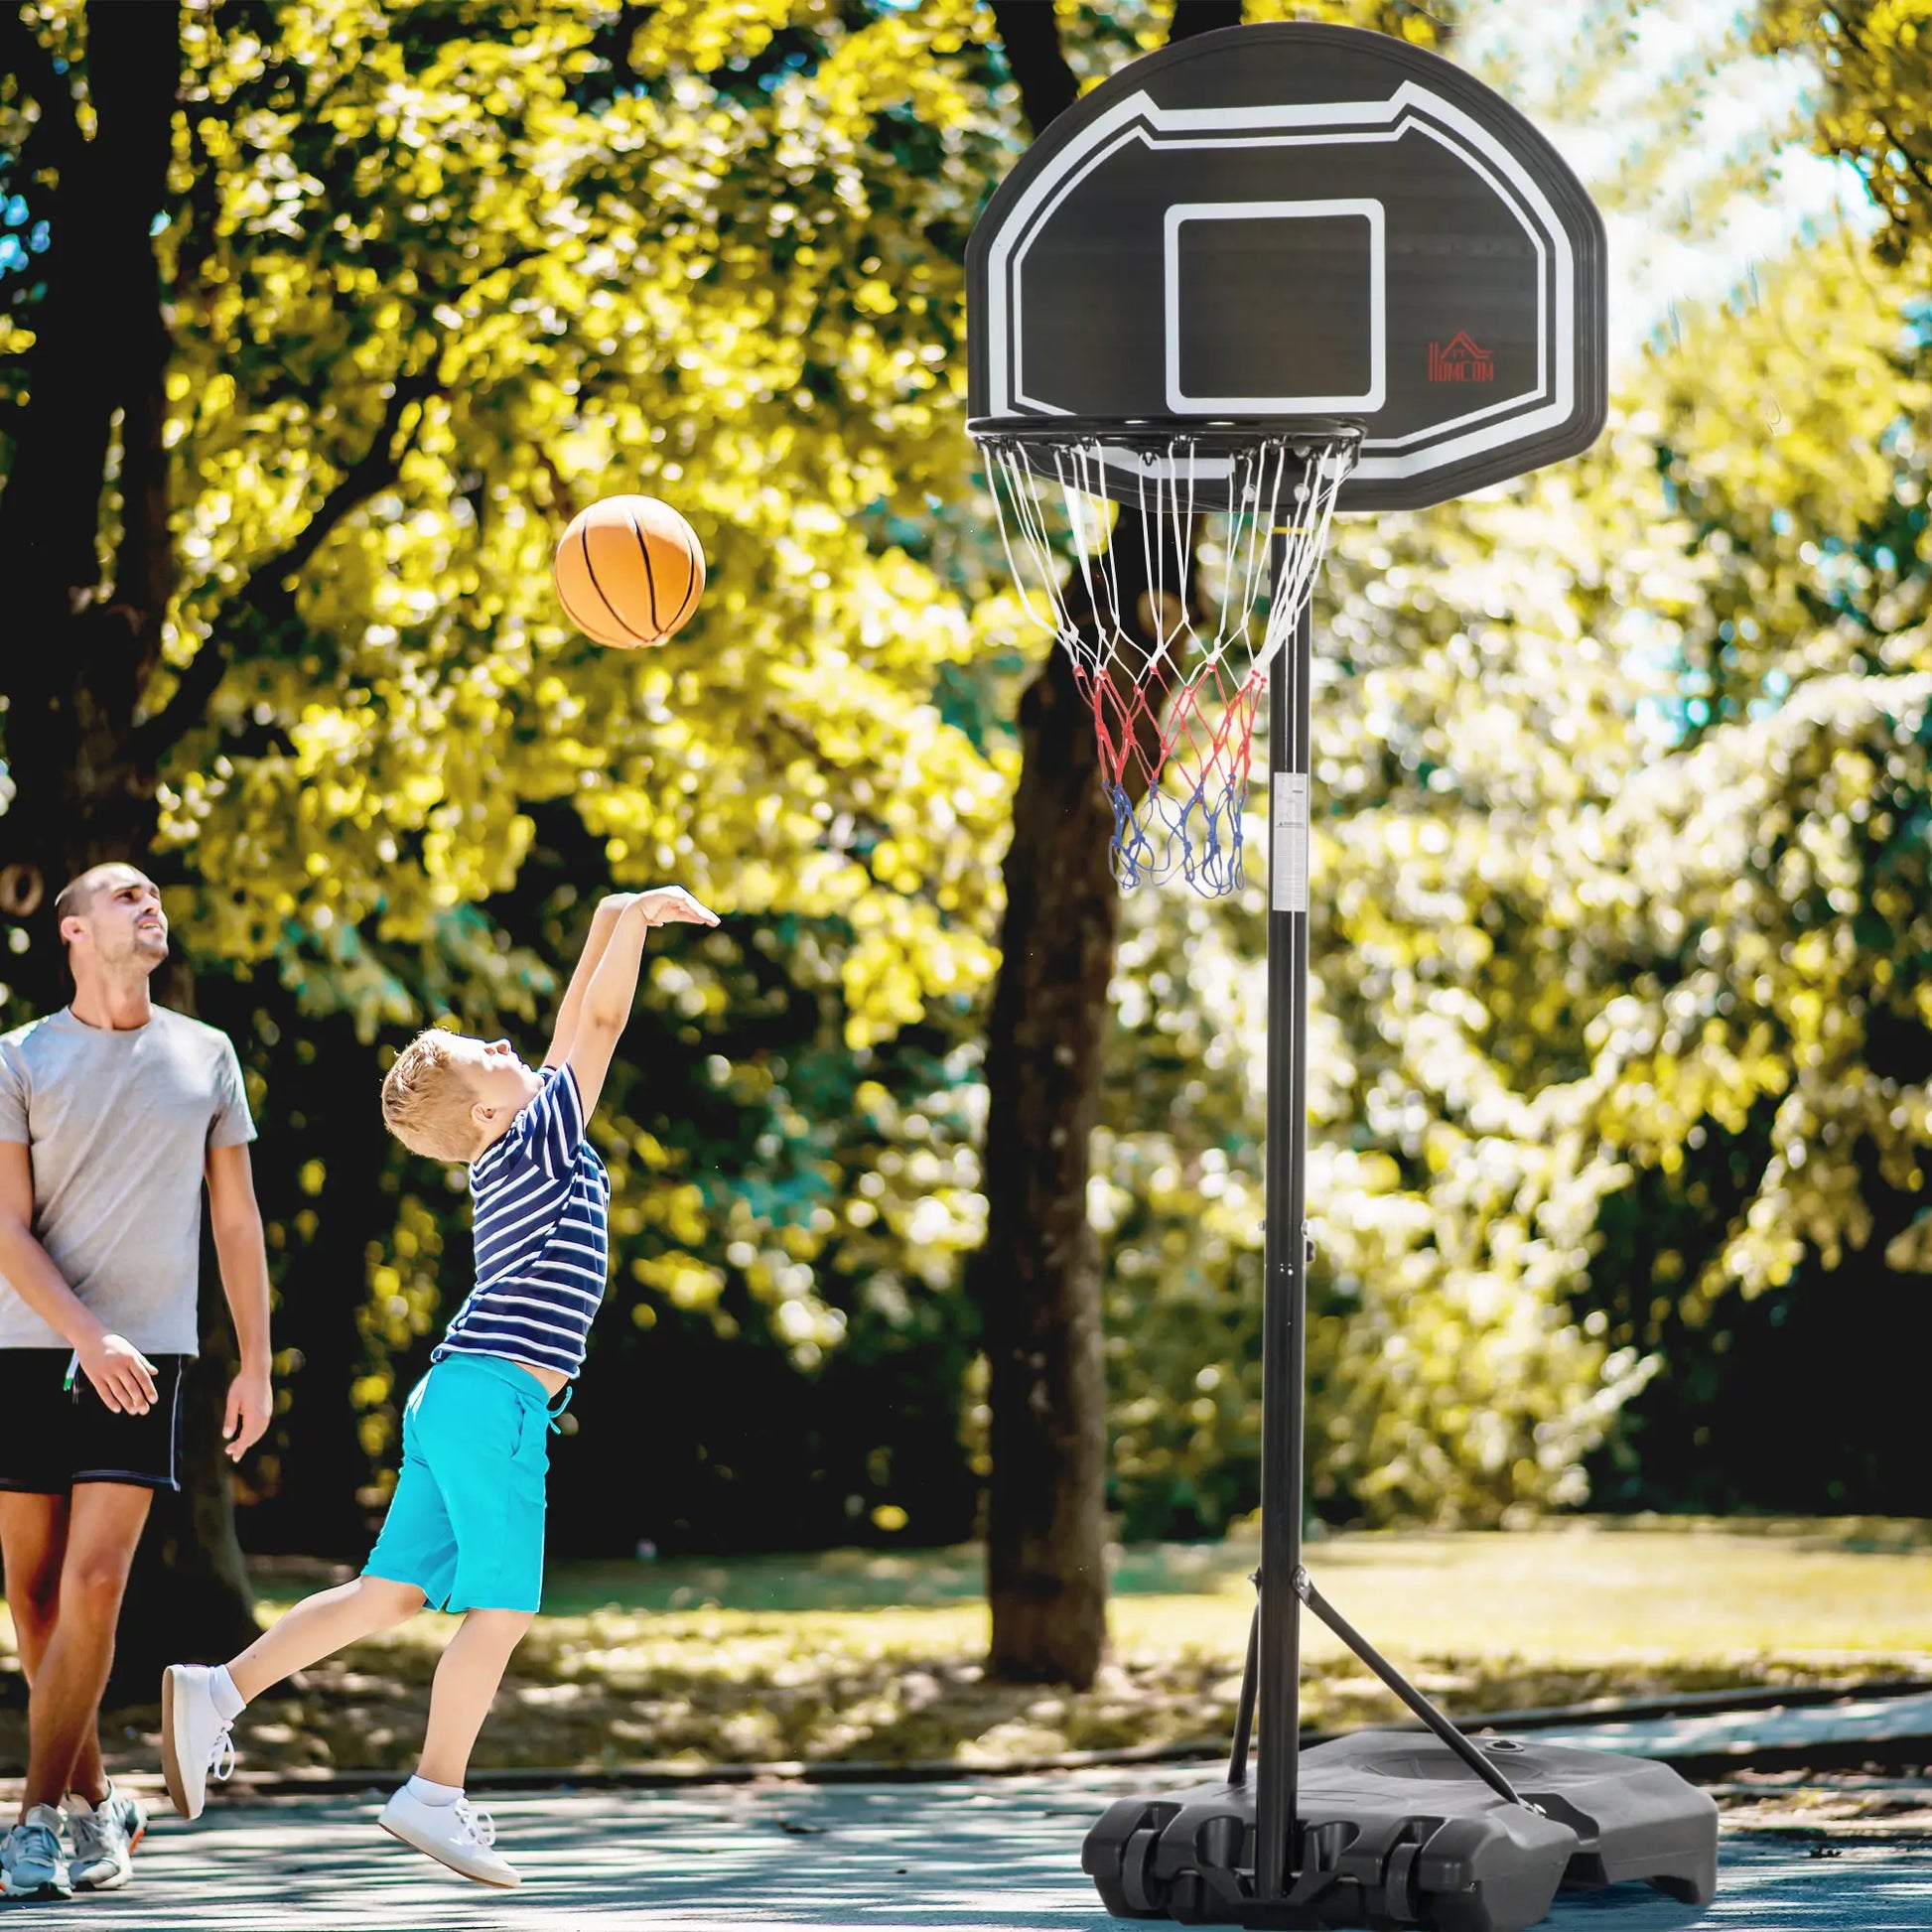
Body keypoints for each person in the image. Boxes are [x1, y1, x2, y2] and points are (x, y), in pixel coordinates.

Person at [160, 886, 717, 1888]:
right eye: (488, 1054)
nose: (509, 1045)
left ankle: (218, 1688)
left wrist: (607, 909)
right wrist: (636, 926)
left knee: (390, 1592)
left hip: (452, 1393)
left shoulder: (515, 1137)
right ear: (493, 1107)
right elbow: (593, 1019)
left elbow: (559, 1028)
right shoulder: (542, 1130)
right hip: (493, 1397)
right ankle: (434, 1789)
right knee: (500, 1606)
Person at [0, 863, 272, 1901]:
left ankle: (31, 1818)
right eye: (125, 894)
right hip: (27, 1347)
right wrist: (85, 1334)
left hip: (149, 1355)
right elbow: (5, 1227)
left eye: (155, 894)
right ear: (72, 930)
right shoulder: (18, 1056)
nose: (149, 904)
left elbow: (235, 1220)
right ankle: (95, 1797)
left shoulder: (208, 1054)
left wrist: (253, 1359)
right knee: (31, 1597)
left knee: (97, 1580)